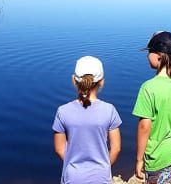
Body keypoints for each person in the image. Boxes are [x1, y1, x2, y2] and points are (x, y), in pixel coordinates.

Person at [133, 31, 171, 184]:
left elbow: (144, 127)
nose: (147, 56)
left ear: (159, 55)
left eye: (149, 52)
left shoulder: (148, 88)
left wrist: (139, 159)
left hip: (158, 157)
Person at [52, 56, 122, 184]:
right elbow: (116, 148)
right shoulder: (109, 110)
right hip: (101, 176)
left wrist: (73, 166)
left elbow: (59, 148)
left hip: (72, 177)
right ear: (101, 82)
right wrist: (104, 167)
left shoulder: (63, 111)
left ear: (74, 80)